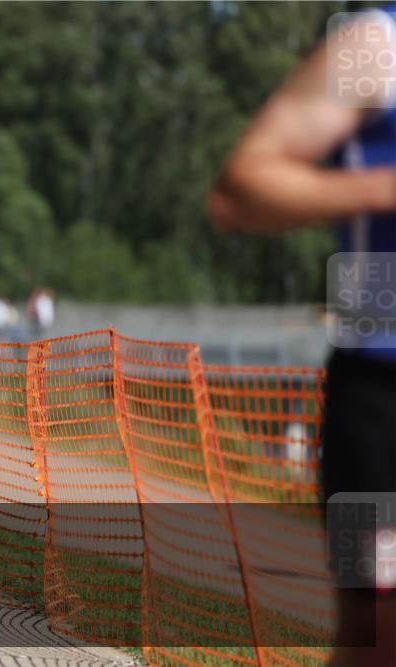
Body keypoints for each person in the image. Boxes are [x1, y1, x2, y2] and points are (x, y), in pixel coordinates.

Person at [208, 7, 395, 665]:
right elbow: (240, 188)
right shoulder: (376, 43)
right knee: (378, 633)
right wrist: (382, 187)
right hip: (381, 392)